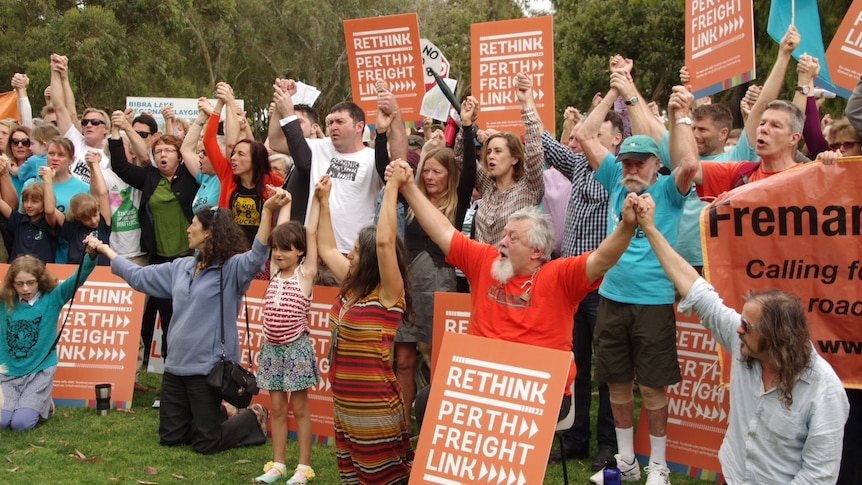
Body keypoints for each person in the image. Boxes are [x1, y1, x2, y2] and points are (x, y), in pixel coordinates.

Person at [392, 158, 639, 432]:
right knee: (428, 401)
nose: (502, 242)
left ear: (536, 251)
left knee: (499, 416)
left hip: (539, 389)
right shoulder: (486, 260)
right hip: (483, 382)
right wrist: (409, 189)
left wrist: (627, 227)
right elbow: (442, 231)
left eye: (513, 238)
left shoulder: (559, 276)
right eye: (505, 235)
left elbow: (602, 259)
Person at [636, 192, 850, 484]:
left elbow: (818, 476)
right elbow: (696, 288)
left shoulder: (824, 390)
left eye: (748, 327)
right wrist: (648, 227)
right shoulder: (744, 342)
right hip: (733, 474)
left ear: (778, 337)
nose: (738, 330)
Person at [89, 188, 290, 454]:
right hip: (175, 367)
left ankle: (252, 418)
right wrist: (106, 251)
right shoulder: (181, 267)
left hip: (207, 370)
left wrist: (266, 212)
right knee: (171, 437)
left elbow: (256, 257)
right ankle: (216, 414)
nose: (188, 229)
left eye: (193, 224)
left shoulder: (230, 270)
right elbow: (139, 278)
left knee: (206, 443)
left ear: (208, 232)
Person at [576, 83, 698, 485]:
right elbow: (583, 135)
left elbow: (690, 164)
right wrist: (612, 92)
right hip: (611, 297)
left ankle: (658, 464)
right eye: (626, 162)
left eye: (639, 163)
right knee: (616, 382)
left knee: (653, 386)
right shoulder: (613, 178)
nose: (630, 169)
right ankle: (627, 462)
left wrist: (680, 116)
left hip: (653, 301)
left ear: (654, 164)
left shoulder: (669, 189)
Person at [316, 172, 414, 484]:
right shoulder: (352, 285)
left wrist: (393, 187)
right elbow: (327, 249)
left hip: (375, 408)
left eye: (357, 250)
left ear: (372, 258)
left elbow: (385, 241)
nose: (349, 254)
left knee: (382, 479)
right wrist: (323, 202)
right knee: (354, 478)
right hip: (345, 404)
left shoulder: (388, 295)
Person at [539, 107, 622, 468]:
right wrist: (527, 104)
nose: (587, 138)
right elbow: (544, 143)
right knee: (575, 367)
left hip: (606, 286)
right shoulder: (578, 166)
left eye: (598, 133)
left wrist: (617, 93)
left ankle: (608, 444)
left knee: (606, 372)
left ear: (617, 138)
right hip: (572, 287)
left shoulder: (619, 173)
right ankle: (575, 439)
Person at [253, 197, 321, 485]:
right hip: (272, 349)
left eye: (286, 249)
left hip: (296, 350)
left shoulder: (306, 275)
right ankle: (278, 464)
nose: (279, 253)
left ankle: (303, 467)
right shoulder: (275, 272)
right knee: (278, 408)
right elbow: (280, 229)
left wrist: (318, 200)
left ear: (301, 252)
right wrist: (286, 202)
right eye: (276, 248)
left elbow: (312, 233)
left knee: (301, 408)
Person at [0, 244, 99, 430]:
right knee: (3, 422)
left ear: (40, 280)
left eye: (30, 282)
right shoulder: (4, 301)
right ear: (12, 284)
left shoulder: (53, 297)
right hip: (7, 373)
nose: (25, 288)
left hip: (39, 371)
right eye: (19, 284)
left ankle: (44, 404)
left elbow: (78, 278)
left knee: (21, 424)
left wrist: (91, 256)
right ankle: (34, 404)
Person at [470, 72, 544, 244]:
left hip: (514, 268)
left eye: (498, 151)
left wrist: (526, 103)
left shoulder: (529, 187)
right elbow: (462, 160)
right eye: (488, 152)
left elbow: (534, 150)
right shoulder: (487, 185)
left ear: (515, 158)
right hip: (481, 268)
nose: (491, 156)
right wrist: (466, 124)